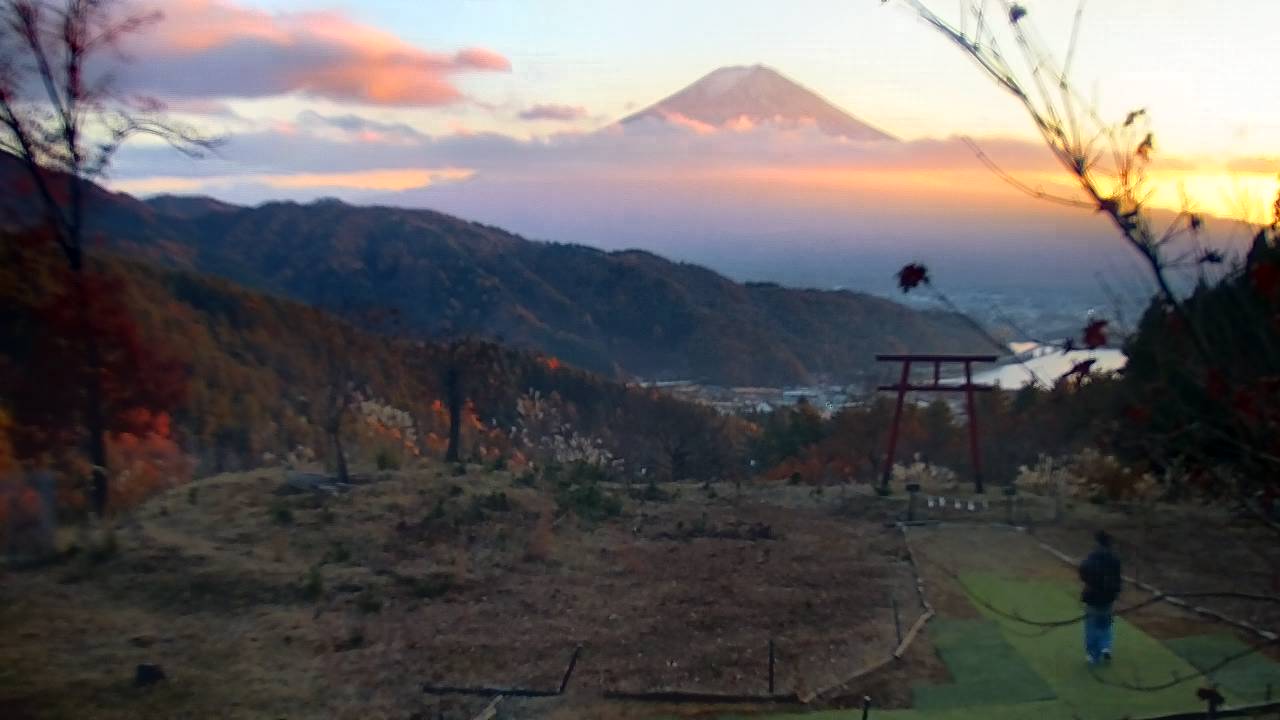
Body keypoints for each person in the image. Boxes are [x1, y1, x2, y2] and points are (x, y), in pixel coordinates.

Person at [1078, 530, 1123, 665]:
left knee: (1091, 626)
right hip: (1108, 597)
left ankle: (1093, 655)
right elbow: (1118, 578)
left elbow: (1083, 572)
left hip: (1093, 596)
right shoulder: (1114, 559)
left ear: (1097, 542)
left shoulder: (1092, 557)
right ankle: (1105, 647)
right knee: (1105, 623)